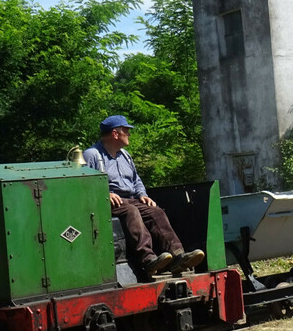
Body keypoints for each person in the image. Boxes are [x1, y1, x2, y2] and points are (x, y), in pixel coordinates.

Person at [83, 115, 205, 279]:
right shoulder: (92, 155)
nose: (129, 134)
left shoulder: (125, 155)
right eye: (126, 130)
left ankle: (178, 257)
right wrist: (105, 193)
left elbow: (136, 180)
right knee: (131, 211)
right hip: (108, 202)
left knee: (156, 212)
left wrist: (142, 195)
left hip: (131, 199)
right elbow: (85, 183)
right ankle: (148, 260)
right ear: (115, 133)